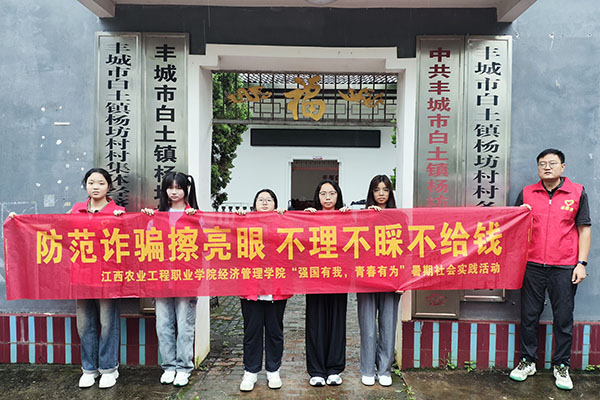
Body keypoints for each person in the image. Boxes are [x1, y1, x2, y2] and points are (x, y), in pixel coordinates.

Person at [509, 149, 591, 390]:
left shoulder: (577, 192)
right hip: (532, 265)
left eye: (552, 163)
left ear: (562, 167)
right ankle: (528, 361)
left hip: (564, 266)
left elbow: (584, 229)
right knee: (529, 316)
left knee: (563, 317)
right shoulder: (527, 193)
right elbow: (513, 225)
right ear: (538, 168)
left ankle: (561, 365)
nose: (547, 167)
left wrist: (581, 263)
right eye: (542, 163)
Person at [141, 172, 199, 387]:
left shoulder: (195, 215)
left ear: (187, 190)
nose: (174, 192)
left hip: (186, 278)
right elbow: (147, 243)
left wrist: (195, 220)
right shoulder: (157, 216)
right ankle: (168, 366)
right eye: (170, 187)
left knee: (185, 325)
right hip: (162, 278)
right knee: (163, 324)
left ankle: (184, 367)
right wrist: (146, 219)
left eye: (179, 187)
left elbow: (205, 245)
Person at [236, 189, 291, 392]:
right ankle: (250, 371)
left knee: (275, 331)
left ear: (276, 204)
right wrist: (238, 219)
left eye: (269, 200)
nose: (265, 202)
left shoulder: (283, 223)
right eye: (261, 199)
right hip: (251, 288)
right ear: (255, 204)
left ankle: (273, 370)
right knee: (252, 331)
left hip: (276, 287)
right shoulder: (245, 223)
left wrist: (288, 218)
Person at [304, 179, 349, 387]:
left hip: (339, 278)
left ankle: (334, 369)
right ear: (317, 196)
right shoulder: (309, 217)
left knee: (337, 322)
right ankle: (316, 370)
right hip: (315, 278)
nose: (328, 197)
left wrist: (351, 218)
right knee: (316, 323)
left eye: (332, 193)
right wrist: (305, 219)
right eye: (323, 193)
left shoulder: (346, 217)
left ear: (338, 196)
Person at [357, 175, 401, 387]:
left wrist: (402, 281)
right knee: (367, 325)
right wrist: (368, 217)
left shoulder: (399, 217)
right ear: (371, 193)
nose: (381, 193)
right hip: (366, 277)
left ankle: (384, 369)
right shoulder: (362, 216)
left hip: (390, 277)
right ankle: (367, 369)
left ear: (390, 192)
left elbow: (406, 250)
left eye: (385, 189)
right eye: (377, 190)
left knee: (388, 324)